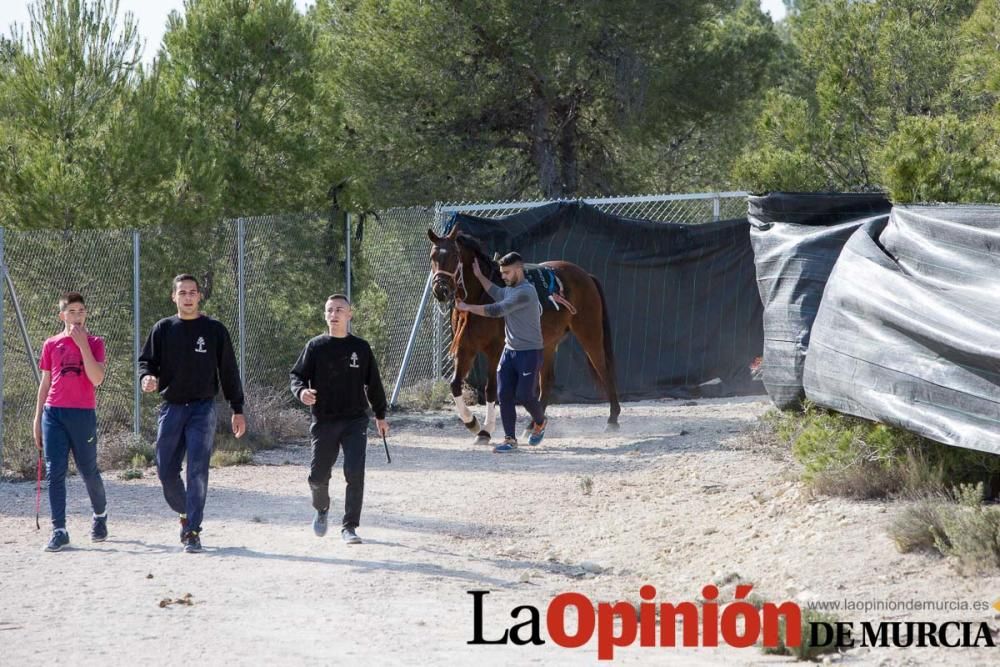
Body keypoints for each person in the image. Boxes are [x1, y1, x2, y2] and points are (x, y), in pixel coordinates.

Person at [138, 274, 246, 553]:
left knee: (197, 470)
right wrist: (146, 378)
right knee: (165, 470)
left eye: (192, 292)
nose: (188, 297)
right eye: (182, 292)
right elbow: (146, 363)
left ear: (199, 297)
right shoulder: (163, 329)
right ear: (173, 297)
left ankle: (193, 531)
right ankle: (187, 513)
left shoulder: (214, 330)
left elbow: (229, 372)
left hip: (202, 408)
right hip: (171, 407)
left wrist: (237, 408)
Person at [290, 294, 389, 545]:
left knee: (355, 472)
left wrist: (380, 415)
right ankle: (322, 508)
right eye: (330, 310)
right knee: (317, 476)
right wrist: (302, 392)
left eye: (339, 310)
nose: (334, 314)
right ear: (325, 315)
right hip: (324, 420)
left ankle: (349, 527)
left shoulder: (361, 348)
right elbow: (297, 376)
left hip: (355, 420)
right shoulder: (315, 347)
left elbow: (374, 384)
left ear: (349, 314)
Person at [33, 292, 109, 552]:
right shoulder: (51, 344)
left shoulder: (95, 342)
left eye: (81, 311)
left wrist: (83, 346)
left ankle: (100, 515)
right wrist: (37, 418)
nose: (77, 316)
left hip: (82, 414)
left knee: (88, 470)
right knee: (56, 472)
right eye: (72, 312)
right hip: (53, 413)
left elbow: (97, 378)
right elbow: (45, 383)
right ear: (62, 315)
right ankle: (59, 529)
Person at [455, 252, 547, 453]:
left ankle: (540, 421)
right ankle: (510, 440)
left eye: (506, 272)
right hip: (510, 352)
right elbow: (496, 292)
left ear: (519, 269)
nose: (503, 276)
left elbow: (497, 309)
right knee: (503, 394)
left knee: (525, 395)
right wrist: (479, 276)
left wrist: (467, 307)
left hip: (529, 353)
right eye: (501, 272)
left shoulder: (526, 293)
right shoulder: (509, 290)